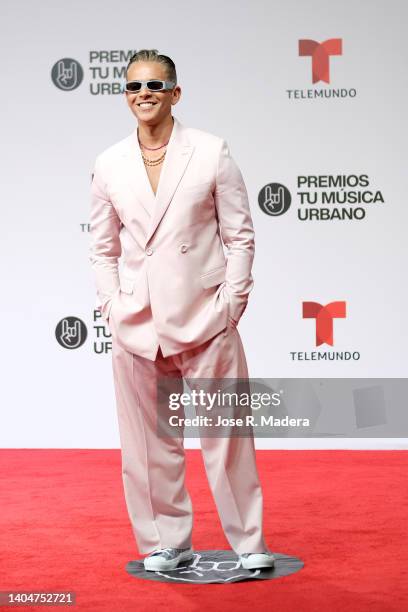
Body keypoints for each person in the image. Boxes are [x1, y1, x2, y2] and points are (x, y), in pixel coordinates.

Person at [89, 49, 275, 572]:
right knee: (148, 447)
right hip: (136, 327)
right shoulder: (109, 163)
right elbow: (102, 248)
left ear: (175, 93)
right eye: (133, 87)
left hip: (205, 320)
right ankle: (165, 542)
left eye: (155, 85)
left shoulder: (211, 152)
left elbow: (240, 235)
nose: (143, 94)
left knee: (226, 439)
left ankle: (250, 542)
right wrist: (111, 306)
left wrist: (232, 305)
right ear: (126, 97)